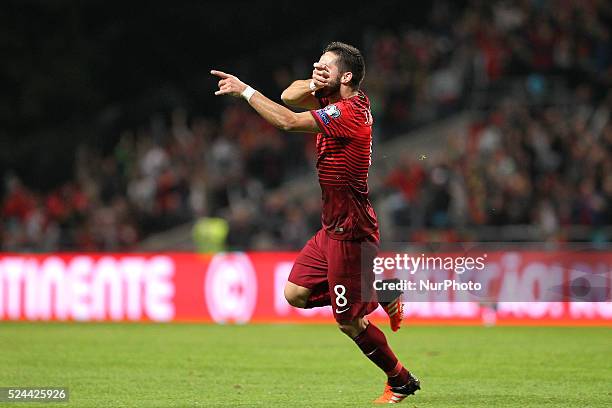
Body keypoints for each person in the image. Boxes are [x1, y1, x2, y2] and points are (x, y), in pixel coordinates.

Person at [211, 41, 420, 404]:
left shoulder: (350, 112)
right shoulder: (332, 99)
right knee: (295, 294)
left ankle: (400, 380)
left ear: (347, 75)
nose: (318, 70)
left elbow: (289, 120)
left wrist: (245, 91)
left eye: (325, 67)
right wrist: (314, 82)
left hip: (352, 231)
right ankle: (379, 293)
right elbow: (288, 94)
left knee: (349, 323)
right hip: (331, 226)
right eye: (317, 65)